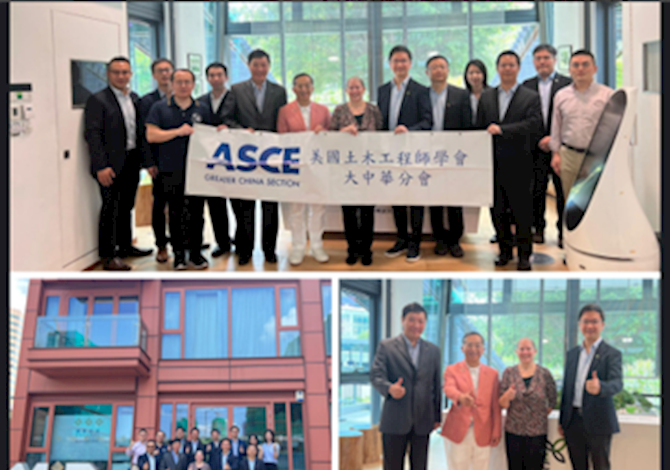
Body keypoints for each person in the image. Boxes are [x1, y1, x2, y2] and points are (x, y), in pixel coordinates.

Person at [145, 69, 224, 270]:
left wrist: (222, 131)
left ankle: (196, 254)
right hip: (171, 168)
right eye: (179, 82)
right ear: (171, 84)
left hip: (197, 169)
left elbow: (213, 135)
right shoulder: (159, 108)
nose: (183, 86)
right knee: (175, 212)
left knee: (197, 213)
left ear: (193, 85)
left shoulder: (203, 109)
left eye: (187, 82)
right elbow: (151, 135)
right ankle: (179, 255)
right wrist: (177, 132)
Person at [84, 56, 153, 271]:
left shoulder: (133, 97)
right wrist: (100, 166)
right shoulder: (98, 100)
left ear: (131, 74)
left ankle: (125, 246)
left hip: (132, 160)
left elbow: (138, 131)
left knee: (126, 206)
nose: (122, 76)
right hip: (110, 165)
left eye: (125, 72)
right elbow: (92, 135)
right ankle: (108, 256)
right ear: (108, 74)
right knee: (110, 208)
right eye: (117, 72)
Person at [476, 50, 542, 271]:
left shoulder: (530, 96)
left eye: (511, 65)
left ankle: (525, 255)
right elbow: (479, 127)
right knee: (498, 210)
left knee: (522, 212)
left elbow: (534, 125)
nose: (507, 69)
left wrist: (502, 130)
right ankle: (504, 251)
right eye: (503, 65)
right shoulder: (487, 96)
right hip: (492, 164)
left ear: (518, 68)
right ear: (497, 68)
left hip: (521, 163)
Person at [221, 49, 288, 266]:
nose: (260, 69)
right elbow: (227, 118)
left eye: (263, 65)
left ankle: (270, 250)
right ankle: (245, 250)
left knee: (270, 207)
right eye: (255, 65)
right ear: (249, 66)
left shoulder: (279, 92)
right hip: (246, 157)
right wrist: (242, 130)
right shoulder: (236, 90)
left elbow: (283, 121)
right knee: (245, 207)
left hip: (271, 157)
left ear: (269, 67)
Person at [377, 45, 433, 262]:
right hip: (389, 153)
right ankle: (401, 238)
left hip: (413, 151)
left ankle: (415, 243)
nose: (399, 65)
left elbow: (428, 121)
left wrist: (410, 131)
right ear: (390, 64)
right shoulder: (383, 90)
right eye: (395, 61)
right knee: (397, 198)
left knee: (415, 199)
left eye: (403, 61)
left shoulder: (421, 90)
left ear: (410, 64)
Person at [370, 302, 442, 470]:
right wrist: (389, 388)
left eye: (421, 321)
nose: (416, 325)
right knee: (393, 466)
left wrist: (437, 416)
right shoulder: (386, 347)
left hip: (423, 419)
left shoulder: (433, 351)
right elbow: (376, 375)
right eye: (412, 320)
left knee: (420, 466)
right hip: (395, 419)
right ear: (403, 320)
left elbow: (435, 385)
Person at [559, 304, 622, 470]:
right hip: (573, 422)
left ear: (602, 325)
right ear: (580, 325)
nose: (590, 326)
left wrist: (601, 386)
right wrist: (562, 420)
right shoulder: (572, 354)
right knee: (578, 466)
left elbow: (617, 383)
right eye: (586, 321)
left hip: (599, 422)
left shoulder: (612, 354)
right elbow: (567, 388)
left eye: (594, 321)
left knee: (601, 466)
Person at [276, 73, 331, 265]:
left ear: (313, 88)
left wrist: (323, 134)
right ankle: (298, 246)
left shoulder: (323, 111)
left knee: (317, 208)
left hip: (317, 167)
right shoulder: (284, 111)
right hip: (296, 167)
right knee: (296, 209)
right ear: (293, 89)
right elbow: (281, 138)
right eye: (300, 86)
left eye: (307, 85)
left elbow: (331, 138)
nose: (304, 89)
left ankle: (317, 244)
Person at [522, 44, 572, 247]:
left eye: (546, 58)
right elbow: (525, 118)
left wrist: (553, 138)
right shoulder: (526, 85)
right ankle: (538, 228)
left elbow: (570, 117)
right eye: (538, 58)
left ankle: (563, 232)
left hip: (561, 147)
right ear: (533, 62)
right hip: (536, 147)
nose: (542, 62)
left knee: (562, 191)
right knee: (536, 190)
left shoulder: (567, 84)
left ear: (555, 60)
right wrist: (540, 138)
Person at [330, 76, 383, 266]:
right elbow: (329, 138)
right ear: (346, 90)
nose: (354, 91)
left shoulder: (374, 110)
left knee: (368, 211)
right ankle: (352, 249)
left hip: (369, 167)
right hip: (346, 169)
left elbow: (382, 136)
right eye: (351, 87)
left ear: (364, 89)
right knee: (349, 212)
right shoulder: (339, 111)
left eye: (357, 87)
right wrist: (342, 132)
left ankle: (366, 249)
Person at [550, 50, 615, 202]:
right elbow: (556, 127)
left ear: (595, 68)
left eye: (585, 65)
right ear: (570, 69)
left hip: (596, 157)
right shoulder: (561, 95)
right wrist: (555, 154)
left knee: (597, 202)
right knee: (571, 203)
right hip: (568, 156)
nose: (580, 69)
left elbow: (612, 129)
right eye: (576, 65)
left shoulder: (607, 95)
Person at [425, 54, 471, 258]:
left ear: (448, 70)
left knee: (454, 198)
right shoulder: (421, 95)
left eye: (442, 67)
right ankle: (440, 239)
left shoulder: (461, 95)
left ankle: (455, 240)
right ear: (427, 72)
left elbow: (467, 125)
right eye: (434, 67)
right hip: (428, 153)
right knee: (434, 198)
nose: (438, 70)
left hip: (454, 153)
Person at [442, 332, 501, 470]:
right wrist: (460, 397)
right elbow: (448, 388)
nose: (473, 349)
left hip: (484, 430)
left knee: (481, 466)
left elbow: (495, 406)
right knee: (458, 466)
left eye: (477, 345)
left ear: (483, 349)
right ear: (462, 348)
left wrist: (496, 431)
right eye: (469, 345)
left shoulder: (493, 374)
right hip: (459, 429)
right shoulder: (452, 370)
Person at [499, 338, 557, 470]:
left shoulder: (544, 374)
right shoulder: (509, 373)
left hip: (537, 433)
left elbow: (552, 400)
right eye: (521, 349)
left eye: (528, 349)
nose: (525, 352)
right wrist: (507, 396)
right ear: (516, 352)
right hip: (514, 432)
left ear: (535, 351)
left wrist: (536, 416)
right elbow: (502, 404)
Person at [197, 62, 234, 259]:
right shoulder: (200, 101)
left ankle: (241, 239)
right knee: (215, 204)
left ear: (226, 77)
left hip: (234, 158)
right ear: (207, 78)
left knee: (238, 202)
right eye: (211, 75)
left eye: (219, 75)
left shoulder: (236, 98)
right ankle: (223, 242)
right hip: (209, 160)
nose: (216, 79)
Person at [139, 58, 174, 263]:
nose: (164, 74)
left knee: (183, 204)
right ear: (153, 75)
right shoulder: (146, 102)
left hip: (181, 161)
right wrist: (149, 162)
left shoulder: (185, 98)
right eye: (160, 71)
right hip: (159, 162)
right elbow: (143, 135)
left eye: (168, 70)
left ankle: (184, 239)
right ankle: (161, 245)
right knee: (159, 205)